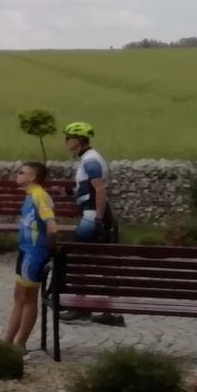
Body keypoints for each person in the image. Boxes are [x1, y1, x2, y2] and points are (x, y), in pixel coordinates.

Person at [62, 121, 124, 326]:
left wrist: (97, 218)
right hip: (93, 214)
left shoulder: (90, 161)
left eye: (68, 138)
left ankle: (82, 308)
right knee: (98, 262)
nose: (65, 142)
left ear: (78, 140)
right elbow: (89, 188)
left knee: (77, 258)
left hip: (92, 216)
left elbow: (100, 190)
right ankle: (106, 311)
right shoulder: (89, 159)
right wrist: (72, 193)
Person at [5, 161, 57, 350]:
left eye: (22, 172)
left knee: (29, 299)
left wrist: (49, 249)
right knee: (18, 297)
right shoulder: (29, 196)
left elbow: (52, 227)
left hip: (34, 254)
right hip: (24, 251)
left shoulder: (39, 196)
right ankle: (7, 342)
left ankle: (20, 345)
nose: (17, 175)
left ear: (32, 177)